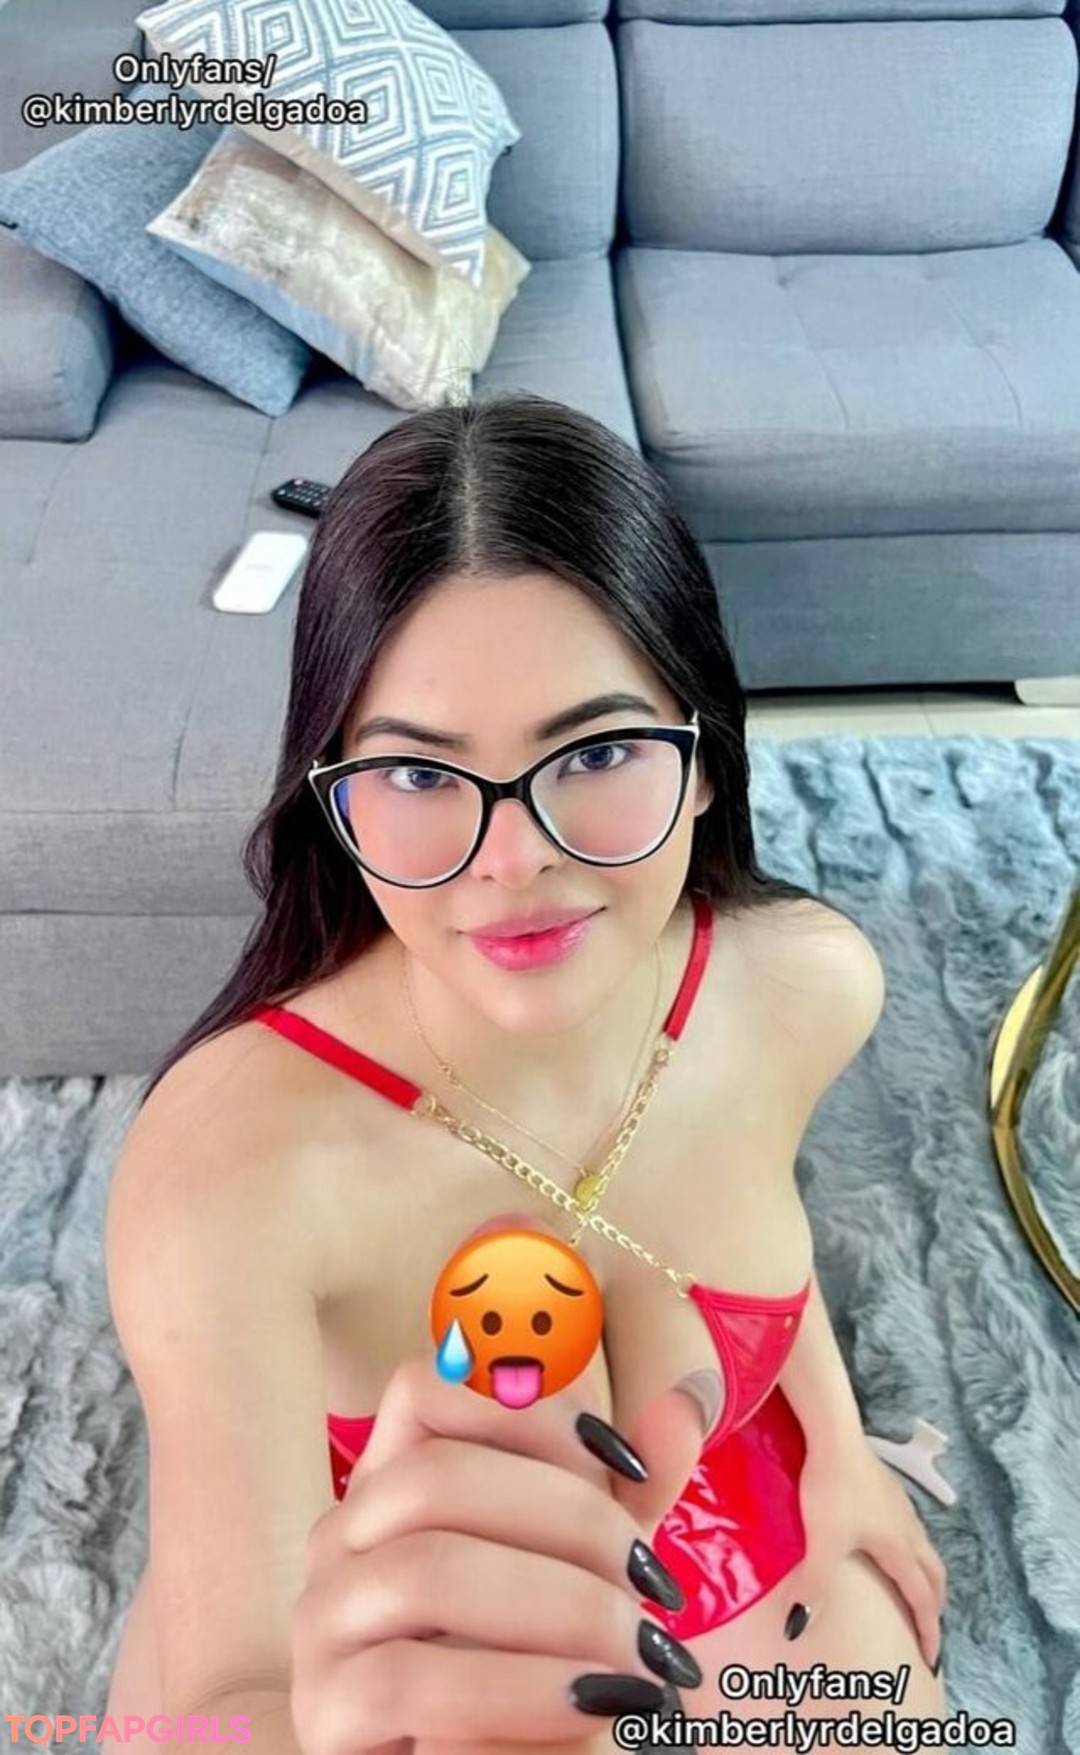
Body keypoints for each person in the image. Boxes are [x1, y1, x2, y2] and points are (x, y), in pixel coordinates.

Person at [105, 393, 948, 1755]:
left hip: (718, 1508)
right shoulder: (224, 1172)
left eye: (599, 752)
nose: (515, 861)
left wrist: (842, 1462)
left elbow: (762, 1225)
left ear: (705, 760)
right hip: (371, 1623)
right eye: (418, 776)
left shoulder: (803, 988)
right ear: (331, 794)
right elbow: (227, 1690)